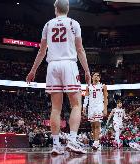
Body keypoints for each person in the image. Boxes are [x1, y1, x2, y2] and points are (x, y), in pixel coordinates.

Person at [26, 0, 91, 155]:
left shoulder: (48, 25)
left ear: (55, 9)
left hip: (53, 65)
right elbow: (80, 49)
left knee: (56, 108)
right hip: (69, 64)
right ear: (68, 9)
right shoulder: (74, 23)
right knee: (76, 105)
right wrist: (87, 70)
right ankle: (73, 141)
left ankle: (56, 145)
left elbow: (41, 51)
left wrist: (33, 70)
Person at [83, 72, 108, 151]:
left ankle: (96, 142)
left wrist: (105, 108)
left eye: (98, 76)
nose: (97, 77)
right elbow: (86, 98)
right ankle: (96, 142)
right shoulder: (88, 87)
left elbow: (105, 98)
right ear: (92, 77)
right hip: (91, 108)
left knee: (97, 125)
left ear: (99, 78)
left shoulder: (103, 86)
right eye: (95, 75)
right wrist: (84, 107)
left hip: (99, 107)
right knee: (93, 126)